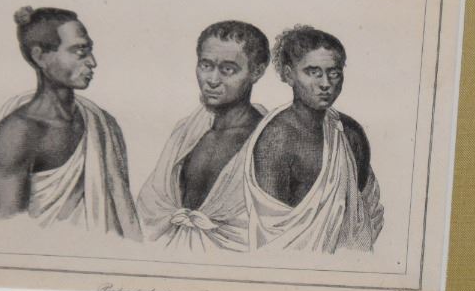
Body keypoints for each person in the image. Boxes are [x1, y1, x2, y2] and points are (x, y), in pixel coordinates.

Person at [0, 6, 140, 239]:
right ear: (40, 57)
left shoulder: (103, 124)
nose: (92, 62)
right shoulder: (18, 132)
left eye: (90, 50)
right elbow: (8, 230)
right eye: (79, 51)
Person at [245, 25, 383, 252]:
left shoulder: (350, 132)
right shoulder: (276, 138)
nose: (326, 83)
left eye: (334, 73)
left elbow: (362, 212)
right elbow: (275, 230)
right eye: (313, 72)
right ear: (289, 75)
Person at [136, 21, 270, 251]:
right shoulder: (185, 132)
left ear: (256, 72)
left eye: (228, 69)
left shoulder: (269, 140)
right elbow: (151, 208)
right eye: (206, 65)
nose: (212, 80)